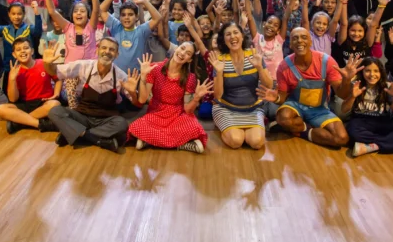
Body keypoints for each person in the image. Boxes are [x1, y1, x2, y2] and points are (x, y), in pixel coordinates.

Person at [261, 27, 358, 148]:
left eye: (304, 37)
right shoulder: (284, 66)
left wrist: (346, 80)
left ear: (311, 42)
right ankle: (297, 126)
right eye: (295, 38)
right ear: (290, 44)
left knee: (341, 138)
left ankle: (303, 130)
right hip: (295, 106)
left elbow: (342, 94)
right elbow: (282, 98)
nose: (299, 40)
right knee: (283, 118)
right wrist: (276, 98)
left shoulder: (326, 61)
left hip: (320, 109)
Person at [44, 38, 140, 153]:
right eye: (104, 48)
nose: (107, 51)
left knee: (121, 124)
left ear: (117, 54)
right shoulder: (83, 66)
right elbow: (54, 71)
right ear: (97, 50)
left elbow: (137, 103)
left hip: (106, 120)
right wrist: (47, 64)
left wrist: (133, 93)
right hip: (82, 117)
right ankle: (97, 139)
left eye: (112, 49)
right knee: (55, 111)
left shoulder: (121, 76)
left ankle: (74, 133)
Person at [129, 48, 214, 153]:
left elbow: (188, 110)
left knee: (194, 127)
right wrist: (143, 76)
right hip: (156, 113)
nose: (183, 53)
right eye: (182, 48)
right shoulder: (155, 68)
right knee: (136, 127)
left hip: (178, 115)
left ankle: (150, 141)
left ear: (189, 60)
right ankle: (182, 144)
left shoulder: (190, 77)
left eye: (188, 53)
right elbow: (142, 100)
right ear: (176, 49)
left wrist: (196, 97)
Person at [207, 22, 273, 150]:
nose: (232, 37)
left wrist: (260, 67)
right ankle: (226, 125)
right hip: (226, 108)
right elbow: (218, 95)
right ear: (224, 40)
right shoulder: (220, 60)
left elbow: (269, 85)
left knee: (257, 143)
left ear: (242, 36)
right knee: (236, 141)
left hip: (253, 109)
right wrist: (219, 72)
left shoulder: (254, 54)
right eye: (228, 34)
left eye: (235, 32)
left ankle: (242, 130)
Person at [342, 58, 393, 157]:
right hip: (361, 121)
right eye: (368, 71)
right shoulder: (355, 85)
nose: (372, 74)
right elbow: (344, 110)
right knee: (352, 132)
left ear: (381, 72)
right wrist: (352, 97)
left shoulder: (388, 86)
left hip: (383, 121)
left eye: (376, 71)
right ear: (362, 72)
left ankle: (371, 147)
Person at [0, 37, 61, 135]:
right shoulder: (14, 71)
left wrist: (56, 94)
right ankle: (39, 124)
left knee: (55, 104)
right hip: (24, 104)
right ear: (14, 54)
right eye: (18, 50)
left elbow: (58, 80)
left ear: (32, 51)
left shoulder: (43, 63)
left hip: (44, 102)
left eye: (26, 48)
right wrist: (12, 79)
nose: (22, 51)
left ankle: (19, 122)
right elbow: (13, 99)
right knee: (0, 109)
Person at [0, 0, 42, 94]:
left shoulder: (29, 29)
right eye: (13, 14)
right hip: (9, 68)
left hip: (27, 68)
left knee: (28, 92)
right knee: (9, 93)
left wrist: (36, 12)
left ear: (24, 14)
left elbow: (38, 31)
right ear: (9, 14)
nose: (16, 17)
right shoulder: (5, 30)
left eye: (19, 14)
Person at [100, 0, 162, 73]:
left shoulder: (142, 31)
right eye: (123, 15)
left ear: (136, 17)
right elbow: (101, 10)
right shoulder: (116, 26)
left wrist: (144, 1)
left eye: (130, 14)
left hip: (135, 76)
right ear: (120, 17)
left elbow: (157, 18)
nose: (126, 17)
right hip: (114, 74)